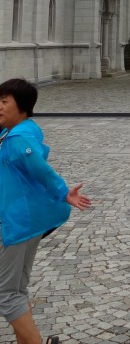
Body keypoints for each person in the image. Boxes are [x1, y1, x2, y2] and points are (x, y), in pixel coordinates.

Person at [0, 78, 92, 344]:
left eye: (5, 101)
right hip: (23, 221)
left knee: (7, 294)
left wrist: (64, 192)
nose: (0, 106)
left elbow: (41, 170)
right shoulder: (15, 131)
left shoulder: (18, 139)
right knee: (15, 289)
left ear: (22, 107)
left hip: (20, 223)